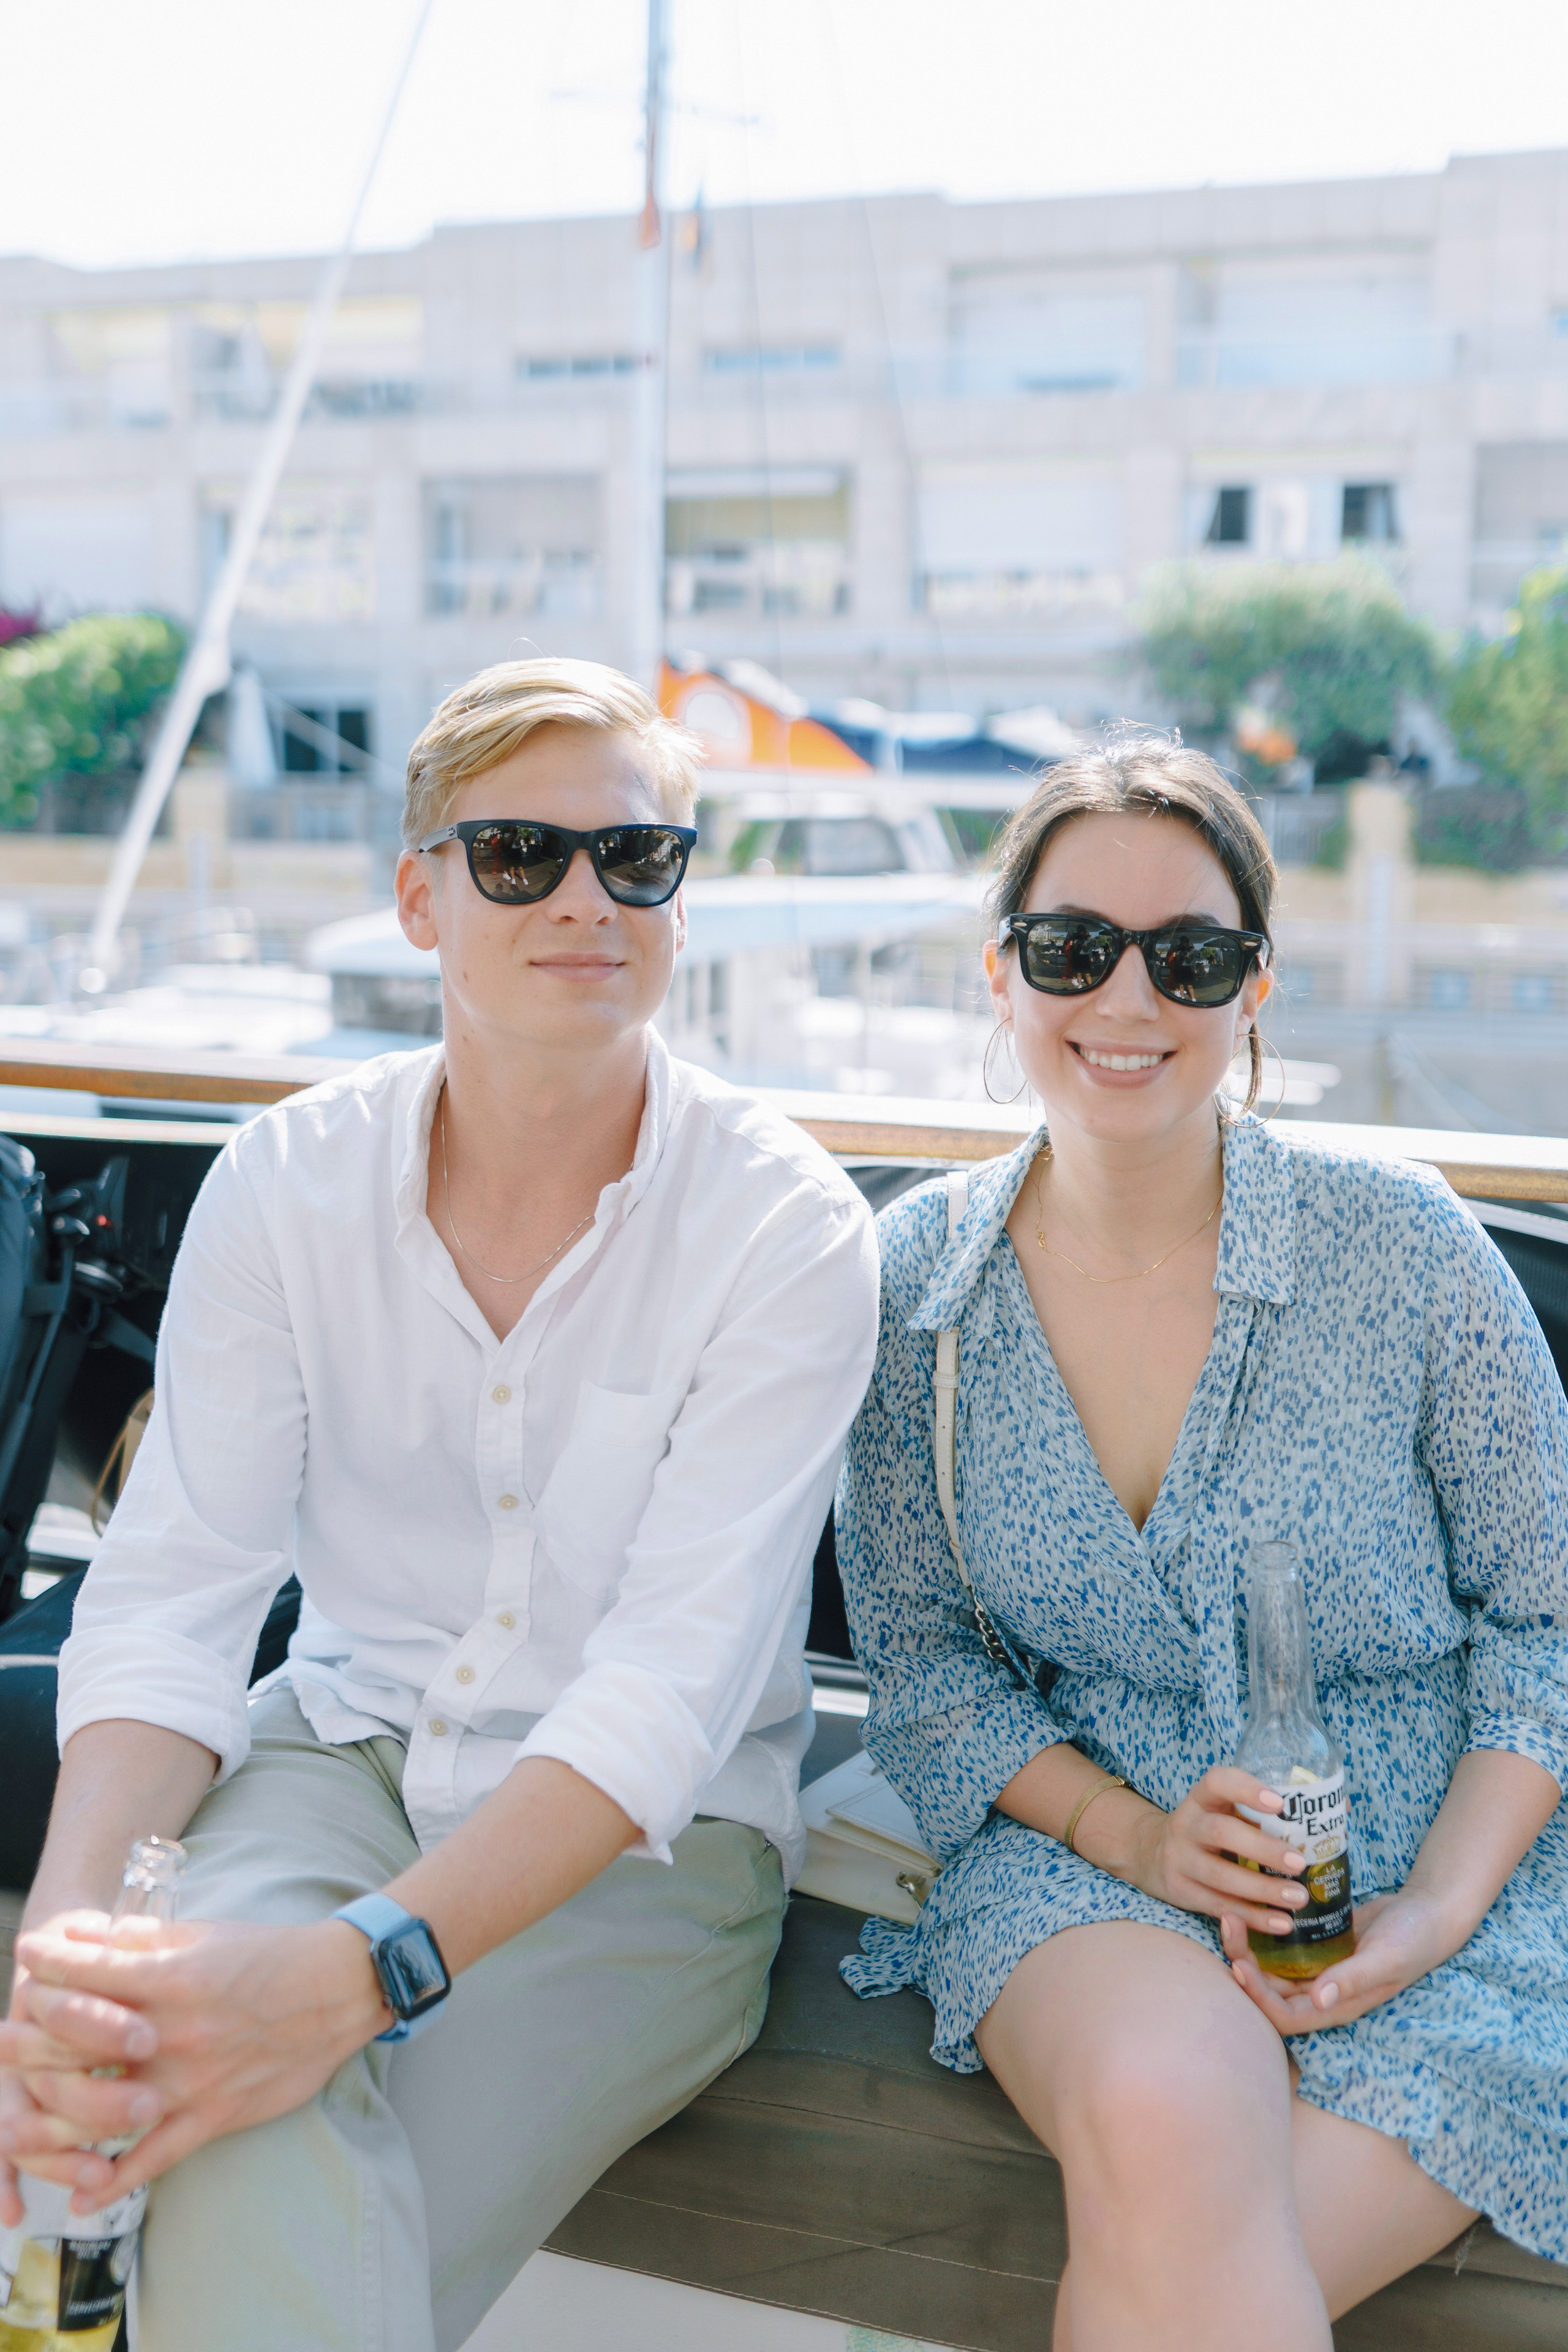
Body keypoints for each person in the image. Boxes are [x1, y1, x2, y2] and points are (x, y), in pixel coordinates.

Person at [0, 658, 880, 2352]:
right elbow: (180, 1591)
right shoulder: (285, 1184)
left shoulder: (785, 1230)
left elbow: (667, 1696)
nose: (584, 898)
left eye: (639, 858)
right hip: (332, 1766)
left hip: (641, 1861)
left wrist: (346, 1979)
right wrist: (65, 1959)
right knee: (169, 2114)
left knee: (233, 2194)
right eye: (518, 855)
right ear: (420, 895)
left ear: (684, 899)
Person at [834, 736, 1567, 2352]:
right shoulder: (910, 1296)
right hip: (1095, 1860)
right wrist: (1142, 1840)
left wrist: (1435, 1913)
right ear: (1001, 975)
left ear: (1256, 993)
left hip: (1464, 1882)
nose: (1128, 999)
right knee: (1167, 2123)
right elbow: (930, 1677)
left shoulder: (1409, 1253)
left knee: (1189, 2293)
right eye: (1072, 947)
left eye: (1194, 956)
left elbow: (1551, 1624)